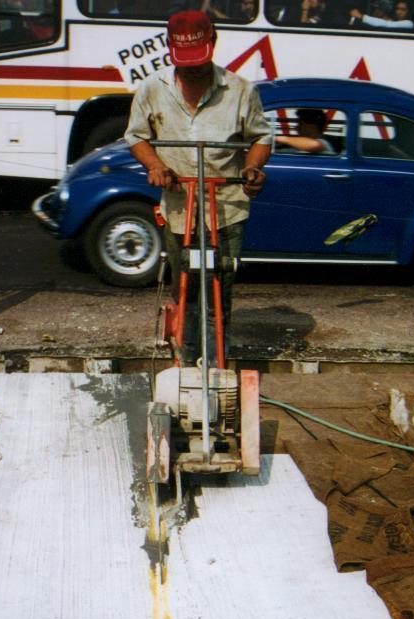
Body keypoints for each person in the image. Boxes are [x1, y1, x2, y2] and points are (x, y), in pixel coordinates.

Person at [124, 10, 272, 365]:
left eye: (199, 62)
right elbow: (136, 136)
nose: (192, 69)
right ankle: (185, 359)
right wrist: (156, 165)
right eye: (184, 62)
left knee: (220, 289)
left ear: (214, 43)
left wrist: (252, 167)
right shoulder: (152, 89)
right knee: (184, 287)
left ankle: (217, 360)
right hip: (179, 206)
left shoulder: (239, 90)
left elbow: (261, 137)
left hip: (227, 208)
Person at [350, 0, 414, 29]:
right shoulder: (392, 21)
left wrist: (361, 17)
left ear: (409, 11)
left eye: (403, 9)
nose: (398, 12)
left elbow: (388, 25)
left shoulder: (409, 24)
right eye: (397, 9)